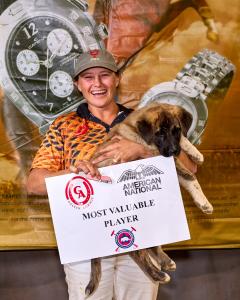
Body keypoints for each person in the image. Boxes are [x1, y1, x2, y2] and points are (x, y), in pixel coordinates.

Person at [27, 49, 197, 300]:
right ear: (77, 84)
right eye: (88, 77)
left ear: (116, 79)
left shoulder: (146, 120)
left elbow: (190, 168)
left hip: (143, 237)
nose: (97, 83)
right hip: (87, 243)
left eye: (104, 75)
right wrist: (74, 171)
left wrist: (141, 149)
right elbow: (34, 184)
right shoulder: (64, 126)